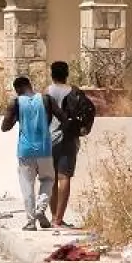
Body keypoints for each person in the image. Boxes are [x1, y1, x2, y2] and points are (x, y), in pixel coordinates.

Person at [1, 75, 63, 231]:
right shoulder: (46, 99)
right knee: (48, 180)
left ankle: (30, 222)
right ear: (30, 85)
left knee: (27, 186)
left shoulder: (16, 102)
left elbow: (4, 127)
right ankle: (40, 210)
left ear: (17, 90)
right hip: (45, 149)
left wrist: (16, 116)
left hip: (25, 151)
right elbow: (63, 117)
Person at [46, 60, 80, 228]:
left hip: (49, 139)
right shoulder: (73, 91)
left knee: (51, 178)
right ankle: (59, 219)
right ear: (66, 74)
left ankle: (53, 217)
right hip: (68, 138)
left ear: (52, 74)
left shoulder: (46, 92)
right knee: (64, 177)